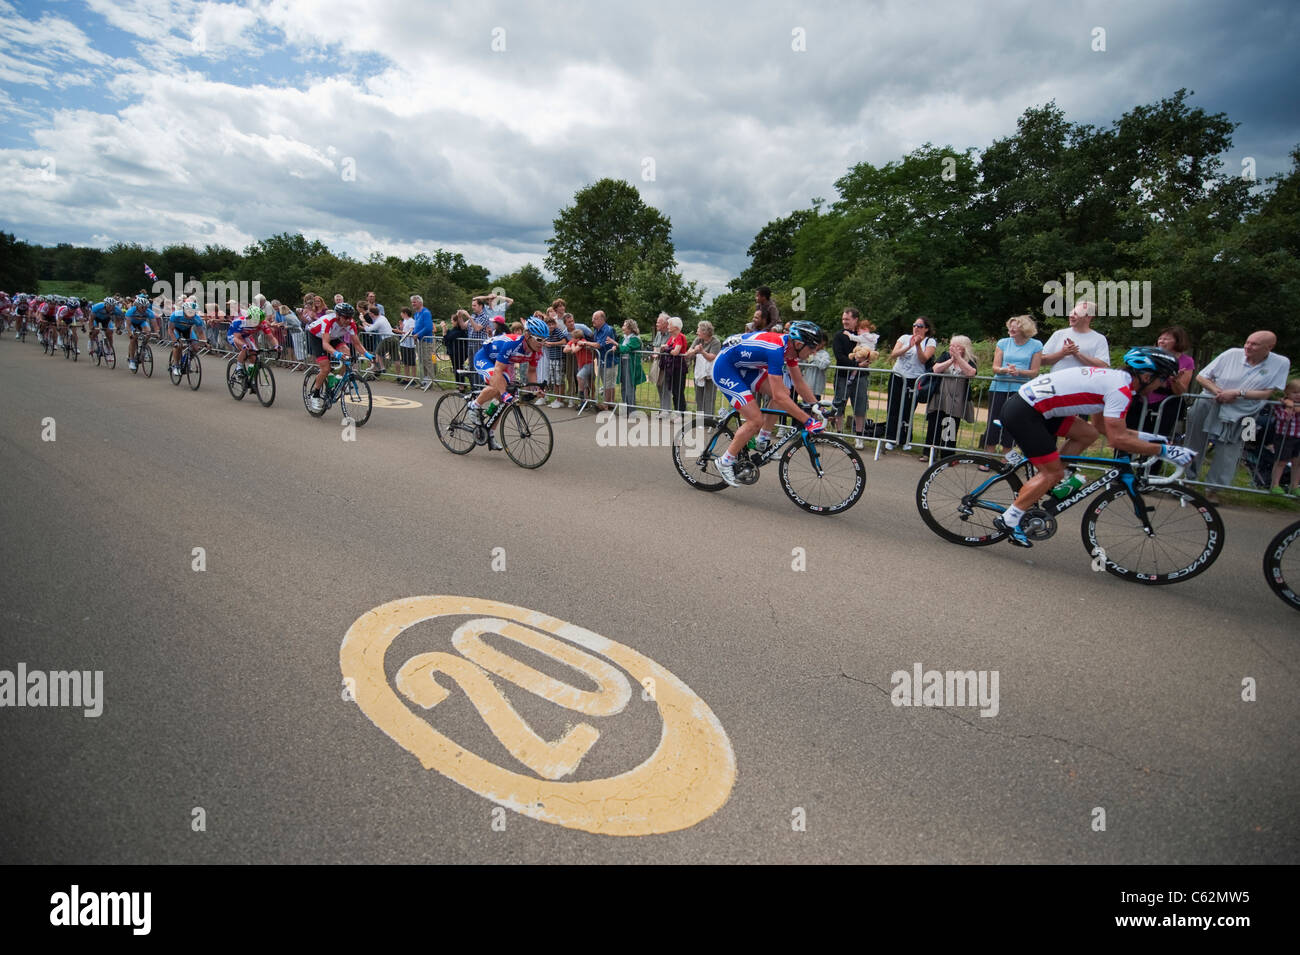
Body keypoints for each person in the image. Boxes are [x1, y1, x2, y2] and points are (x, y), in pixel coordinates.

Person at [991, 347, 1192, 547]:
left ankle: (1055, 478)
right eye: (1161, 379)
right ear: (1147, 376)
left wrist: (1157, 439)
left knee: (1088, 434)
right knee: (1051, 473)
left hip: (1037, 409)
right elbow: (1117, 440)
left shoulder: (1117, 380)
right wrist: (1165, 451)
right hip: (1026, 413)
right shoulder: (1120, 390)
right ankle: (1009, 519)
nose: (1161, 385)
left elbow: (1100, 427)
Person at [711, 321, 829, 487]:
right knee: (755, 420)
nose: (814, 352)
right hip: (726, 369)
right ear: (800, 344)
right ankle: (725, 461)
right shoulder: (776, 350)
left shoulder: (791, 350)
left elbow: (799, 383)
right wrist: (807, 421)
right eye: (812, 348)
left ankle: (762, 440)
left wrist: (817, 406)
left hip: (746, 368)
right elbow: (778, 396)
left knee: (786, 392)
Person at [1184, 331, 1292, 500]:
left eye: (1254, 344)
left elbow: (1267, 393)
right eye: (1247, 342)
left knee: (1231, 450)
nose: (1248, 346)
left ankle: (1214, 490)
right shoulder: (1231, 354)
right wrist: (1218, 392)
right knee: (1194, 441)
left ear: (1269, 347)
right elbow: (1202, 377)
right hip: (1210, 401)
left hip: (1248, 412)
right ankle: (1188, 481)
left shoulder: (1281, 362)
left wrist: (1238, 393)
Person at [465, 316, 548, 450]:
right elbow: (498, 369)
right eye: (539, 339)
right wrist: (503, 393)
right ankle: (473, 405)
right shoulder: (513, 343)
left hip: (503, 363)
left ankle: (490, 434)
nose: (542, 343)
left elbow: (532, 372)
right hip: (485, 358)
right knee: (499, 387)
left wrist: (534, 389)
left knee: (503, 401)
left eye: (545, 340)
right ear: (527, 335)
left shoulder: (536, 352)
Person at [983, 315, 1043, 456]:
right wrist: (1005, 370)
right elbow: (995, 367)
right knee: (993, 420)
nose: (1011, 329)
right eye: (1010, 326)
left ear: (1024, 329)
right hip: (999, 387)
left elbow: (1034, 372)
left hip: (1020, 390)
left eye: (1015, 326)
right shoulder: (1003, 342)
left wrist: (1019, 372)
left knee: (1013, 421)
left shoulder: (1036, 345)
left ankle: (1007, 456)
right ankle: (988, 455)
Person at [305, 304, 377, 411]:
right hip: (317, 337)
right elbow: (325, 344)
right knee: (325, 368)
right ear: (338, 316)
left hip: (332, 337)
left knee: (347, 352)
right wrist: (336, 353)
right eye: (346, 317)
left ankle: (338, 379)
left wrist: (366, 354)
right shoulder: (328, 321)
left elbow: (356, 343)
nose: (348, 320)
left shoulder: (351, 323)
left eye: (350, 317)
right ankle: (315, 394)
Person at [1126, 326, 1194, 439]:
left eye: (1166, 339)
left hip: (1166, 404)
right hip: (1140, 400)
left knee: (1157, 437)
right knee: (1130, 432)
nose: (1161, 341)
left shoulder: (1187, 361)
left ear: (1178, 341)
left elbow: (1181, 390)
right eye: (1160, 338)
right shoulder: (1148, 354)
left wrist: (1175, 381)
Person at [885, 316, 937, 450]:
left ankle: (906, 439)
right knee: (893, 407)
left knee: (908, 409)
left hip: (914, 379)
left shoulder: (930, 342)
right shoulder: (904, 338)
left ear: (926, 329)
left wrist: (918, 345)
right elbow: (894, 354)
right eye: (914, 325)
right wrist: (909, 345)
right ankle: (891, 438)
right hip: (898, 376)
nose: (916, 328)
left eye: (920, 326)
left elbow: (924, 359)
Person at [923, 335, 978, 459]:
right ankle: (929, 453)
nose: (951, 347)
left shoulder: (970, 359)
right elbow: (936, 369)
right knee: (934, 423)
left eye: (955, 345)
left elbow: (971, 373)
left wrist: (959, 358)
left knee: (951, 425)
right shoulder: (945, 355)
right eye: (951, 345)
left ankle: (947, 456)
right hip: (940, 395)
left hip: (957, 398)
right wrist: (951, 360)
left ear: (964, 348)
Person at [1040, 300, 1109, 371]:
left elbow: (1103, 366)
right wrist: (1062, 353)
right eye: (1071, 313)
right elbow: (1040, 361)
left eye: (1076, 314)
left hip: (1085, 382)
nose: (1071, 316)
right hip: (1059, 381)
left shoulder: (1099, 339)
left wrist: (1077, 354)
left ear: (1088, 317)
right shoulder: (1058, 334)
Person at [685, 320, 721, 425]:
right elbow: (688, 352)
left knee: (709, 397)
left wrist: (701, 351)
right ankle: (700, 420)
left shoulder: (715, 342)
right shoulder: (698, 340)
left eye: (698, 329)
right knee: (699, 397)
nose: (697, 331)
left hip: (710, 375)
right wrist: (695, 350)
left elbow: (711, 357)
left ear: (705, 332)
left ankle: (709, 421)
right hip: (699, 373)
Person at [1267, 379, 1300, 496]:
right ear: (1287, 392)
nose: (1298, 395)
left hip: (1298, 437)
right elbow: (1282, 418)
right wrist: (1289, 408)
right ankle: (1275, 485)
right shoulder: (1281, 404)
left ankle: (1295, 486)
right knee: (1281, 461)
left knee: (1297, 462)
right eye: (1295, 392)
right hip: (1285, 437)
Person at [168, 298, 208, 375]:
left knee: (195, 348)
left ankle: (187, 360)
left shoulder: (197, 318)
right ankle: (176, 365)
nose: (191, 314)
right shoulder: (176, 315)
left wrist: (205, 343)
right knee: (178, 346)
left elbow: (201, 333)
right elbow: (170, 330)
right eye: (189, 311)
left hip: (188, 331)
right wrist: (175, 341)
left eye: (193, 312)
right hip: (176, 330)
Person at [659, 316, 690, 416]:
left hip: (679, 367)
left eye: (670, 325)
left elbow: (676, 352)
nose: (668, 327)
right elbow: (667, 348)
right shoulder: (672, 338)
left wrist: (667, 348)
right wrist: (668, 348)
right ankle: (677, 413)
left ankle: (681, 414)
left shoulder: (680, 337)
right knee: (674, 392)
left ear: (676, 327)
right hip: (672, 367)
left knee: (678, 391)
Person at [617, 319, 646, 412]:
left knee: (629, 386)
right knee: (624, 386)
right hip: (623, 363)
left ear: (630, 328)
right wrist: (616, 347)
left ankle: (631, 410)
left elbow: (626, 349)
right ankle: (625, 408)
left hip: (631, 365)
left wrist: (616, 345)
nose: (623, 327)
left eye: (624, 326)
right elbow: (620, 349)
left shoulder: (635, 339)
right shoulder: (624, 338)